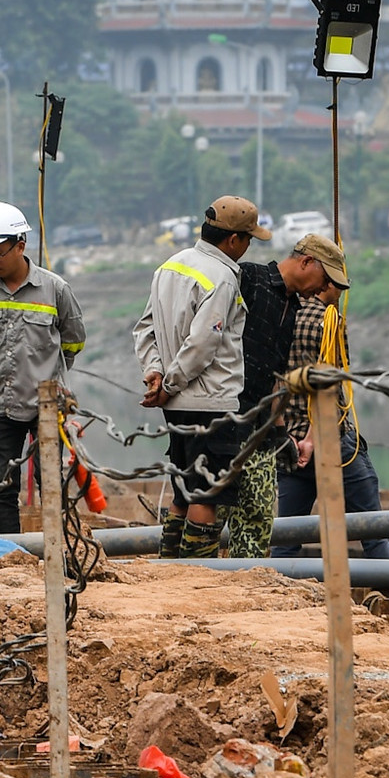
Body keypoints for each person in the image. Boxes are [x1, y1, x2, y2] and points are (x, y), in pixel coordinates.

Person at [133, 196, 269, 558]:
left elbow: (145, 329)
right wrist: (171, 383)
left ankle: (169, 567)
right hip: (211, 403)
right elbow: (203, 343)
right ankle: (199, 577)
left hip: (175, 406)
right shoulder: (222, 277)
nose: (248, 247)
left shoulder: (170, 266)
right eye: (248, 239)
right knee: (207, 495)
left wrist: (155, 373)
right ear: (233, 240)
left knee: (182, 491)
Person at [0, 201, 86, 536]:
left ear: (21, 245)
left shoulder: (55, 289)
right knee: (4, 490)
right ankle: (11, 555)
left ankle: (56, 552)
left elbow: (73, 340)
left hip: (45, 408)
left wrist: (52, 375)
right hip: (0, 407)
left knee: (49, 483)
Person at [226, 235, 346, 557]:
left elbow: (277, 376)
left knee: (259, 515)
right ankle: (190, 581)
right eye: (324, 280)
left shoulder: (292, 307)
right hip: (225, 415)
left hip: (262, 426)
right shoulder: (249, 278)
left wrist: (280, 432)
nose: (322, 291)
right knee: (214, 507)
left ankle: (244, 583)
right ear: (307, 262)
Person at [272, 279, 389, 559]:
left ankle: (274, 599)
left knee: (286, 538)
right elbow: (329, 387)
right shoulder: (329, 320)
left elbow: (273, 383)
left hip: (290, 445)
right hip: (331, 443)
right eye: (339, 285)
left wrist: (288, 437)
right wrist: (313, 439)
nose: (341, 292)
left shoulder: (279, 315)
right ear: (324, 282)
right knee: (372, 531)